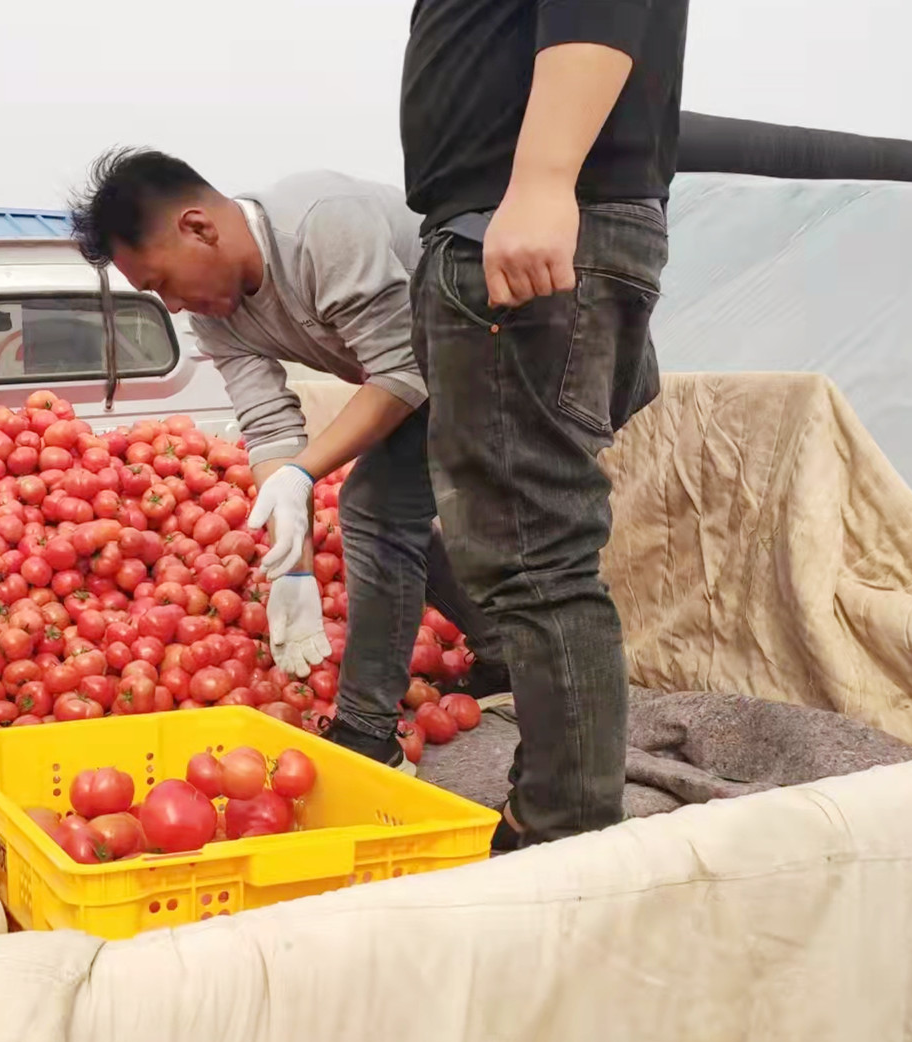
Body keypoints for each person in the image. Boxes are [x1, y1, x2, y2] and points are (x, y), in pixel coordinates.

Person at [70, 150, 509, 770]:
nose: (172, 305)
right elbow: (270, 427)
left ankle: (367, 731)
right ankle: (500, 650)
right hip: (436, 374)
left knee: (374, 508)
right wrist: (293, 564)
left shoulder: (322, 225)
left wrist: (305, 473)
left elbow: (403, 370)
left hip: (506, 353)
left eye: (162, 283)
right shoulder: (219, 316)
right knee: (388, 510)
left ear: (198, 228)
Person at [400, 0, 690, 847]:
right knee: (536, 552)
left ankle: (563, 835)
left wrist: (543, 178)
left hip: (522, 223)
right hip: (524, 217)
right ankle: (559, 806)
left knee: (535, 556)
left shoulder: (543, 186)